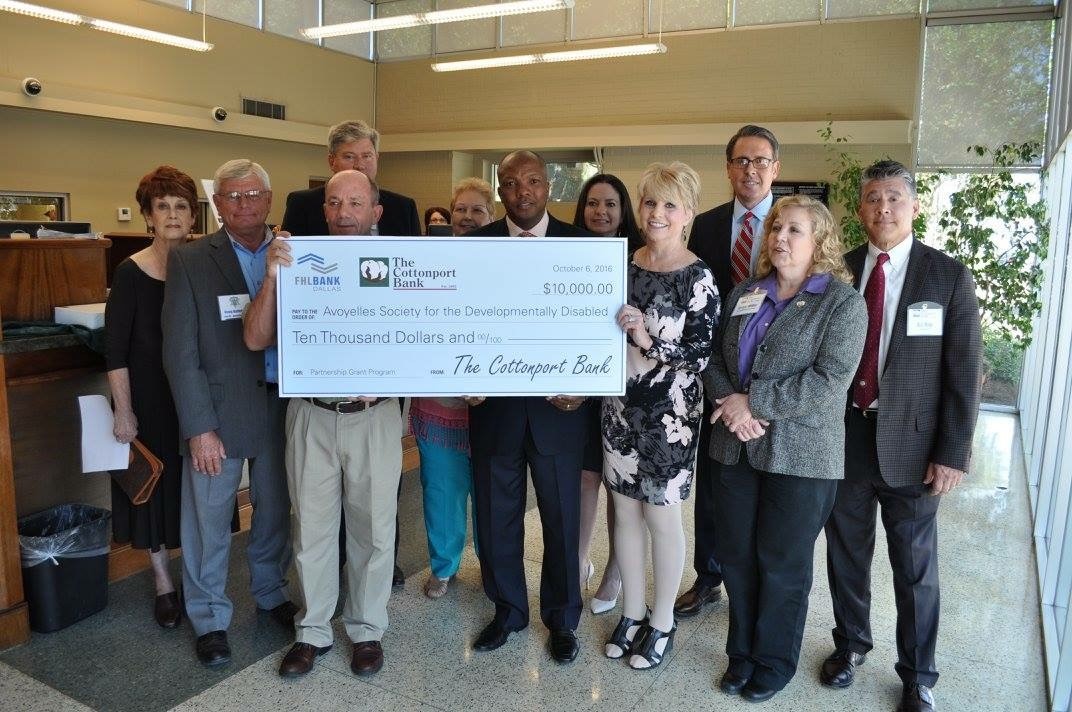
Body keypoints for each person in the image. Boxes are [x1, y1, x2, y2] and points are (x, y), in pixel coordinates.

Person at [821, 161, 982, 712]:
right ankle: (850, 646)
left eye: (894, 198)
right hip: (844, 437)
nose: (882, 208)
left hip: (913, 447)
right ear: (860, 209)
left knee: (914, 568)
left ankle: (917, 674)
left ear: (915, 207)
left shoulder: (947, 276)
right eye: (871, 199)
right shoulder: (839, 272)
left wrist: (953, 453)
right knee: (845, 553)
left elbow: (964, 373)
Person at [703, 195, 867, 702]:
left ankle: (773, 661)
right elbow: (712, 359)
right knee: (736, 556)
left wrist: (753, 404)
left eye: (795, 230)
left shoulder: (842, 302)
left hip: (802, 456)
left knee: (782, 562)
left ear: (819, 242)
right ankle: (741, 653)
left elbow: (829, 379)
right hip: (735, 450)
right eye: (776, 227)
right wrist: (730, 402)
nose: (780, 237)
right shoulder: (746, 293)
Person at [244, 169, 403, 679]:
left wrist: (392, 378)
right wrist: (271, 277)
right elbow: (254, 338)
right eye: (334, 202)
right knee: (310, 528)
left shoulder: (402, 267)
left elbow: (423, 338)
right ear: (324, 210)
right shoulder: (295, 261)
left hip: (374, 417)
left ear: (375, 211)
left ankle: (366, 628)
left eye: (355, 202)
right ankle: (312, 629)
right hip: (310, 412)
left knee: (374, 530)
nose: (344, 213)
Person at [162, 159, 295, 667]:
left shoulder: (294, 253)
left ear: (268, 200)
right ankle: (209, 617)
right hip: (217, 417)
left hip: (283, 407)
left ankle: (270, 592)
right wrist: (198, 429)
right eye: (232, 196)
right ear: (216, 205)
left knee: (275, 512)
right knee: (208, 521)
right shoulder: (192, 261)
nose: (243, 204)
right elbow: (180, 352)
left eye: (253, 195)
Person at [464, 150, 591, 664]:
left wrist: (585, 384)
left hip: (559, 414)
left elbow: (597, 328)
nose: (522, 192)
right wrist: (460, 376)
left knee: (562, 521)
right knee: (497, 520)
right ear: (500, 191)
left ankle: (562, 619)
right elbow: (456, 321)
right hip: (493, 411)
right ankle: (508, 611)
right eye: (512, 183)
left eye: (532, 182)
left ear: (549, 187)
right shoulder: (471, 248)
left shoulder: (584, 248)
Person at [282, 119, 417, 588]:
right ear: (330, 165)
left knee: (377, 511)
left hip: (377, 396)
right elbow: (292, 293)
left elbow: (416, 295)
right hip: (316, 391)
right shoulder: (302, 208)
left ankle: (372, 599)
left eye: (367, 157)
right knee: (314, 518)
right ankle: (319, 611)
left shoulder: (401, 209)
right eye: (349, 158)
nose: (346, 210)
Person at [602, 161, 720, 670]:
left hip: (670, 417)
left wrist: (646, 338)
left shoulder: (699, 278)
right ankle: (631, 614)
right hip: (618, 411)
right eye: (650, 202)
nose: (657, 213)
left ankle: (664, 621)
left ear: (688, 213)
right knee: (624, 513)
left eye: (670, 204)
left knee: (661, 517)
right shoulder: (620, 266)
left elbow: (698, 357)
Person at [677, 124, 783, 620]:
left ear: (775, 169)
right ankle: (709, 577)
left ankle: (757, 581)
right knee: (714, 484)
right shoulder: (703, 225)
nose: (751, 169)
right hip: (709, 374)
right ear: (727, 168)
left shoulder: (790, 226)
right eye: (741, 161)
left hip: (772, 379)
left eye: (761, 161)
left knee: (768, 485)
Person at [106, 165, 197, 629]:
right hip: (149, 402)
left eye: (181, 206)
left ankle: (197, 578)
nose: (172, 214)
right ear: (147, 216)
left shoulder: (202, 267)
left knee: (194, 490)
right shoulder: (130, 272)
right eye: (162, 207)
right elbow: (115, 350)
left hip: (194, 402)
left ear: (193, 215)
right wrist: (123, 411)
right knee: (155, 491)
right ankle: (164, 582)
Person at [411, 178, 494, 600]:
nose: (466, 217)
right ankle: (443, 567)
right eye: (460, 209)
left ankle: (493, 566)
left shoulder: (504, 266)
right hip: (439, 408)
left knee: (491, 496)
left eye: (477, 210)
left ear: (492, 216)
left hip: (492, 411)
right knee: (441, 493)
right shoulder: (424, 264)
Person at [570, 173, 642, 615]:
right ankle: (578, 560)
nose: (601, 212)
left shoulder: (639, 261)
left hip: (626, 389)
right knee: (584, 476)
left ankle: (616, 568)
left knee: (619, 483)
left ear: (623, 211)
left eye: (610, 204)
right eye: (593, 203)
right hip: (579, 385)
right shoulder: (566, 253)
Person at [281, 119, 420, 238]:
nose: (359, 165)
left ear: (377, 158)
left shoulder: (404, 209)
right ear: (331, 161)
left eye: (367, 156)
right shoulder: (302, 205)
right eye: (349, 156)